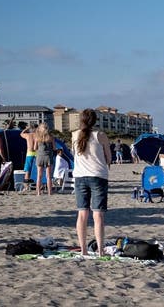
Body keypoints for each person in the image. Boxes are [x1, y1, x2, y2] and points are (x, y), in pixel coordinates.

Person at [72, 109, 111, 256]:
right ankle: (100, 250)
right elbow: (108, 159)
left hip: (80, 177)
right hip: (98, 176)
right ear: (94, 120)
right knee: (98, 215)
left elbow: (75, 154)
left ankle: (83, 250)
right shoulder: (100, 135)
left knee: (82, 214)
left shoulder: (74, 135)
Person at [35, 123, 55, 196]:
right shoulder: (51, 137)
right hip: (48, 157)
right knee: (48, 176)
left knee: (39, 176)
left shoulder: (37, 137)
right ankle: (50, 192)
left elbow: (35, 148)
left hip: (40, 156)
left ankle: (38, 192)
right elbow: (54, 148)